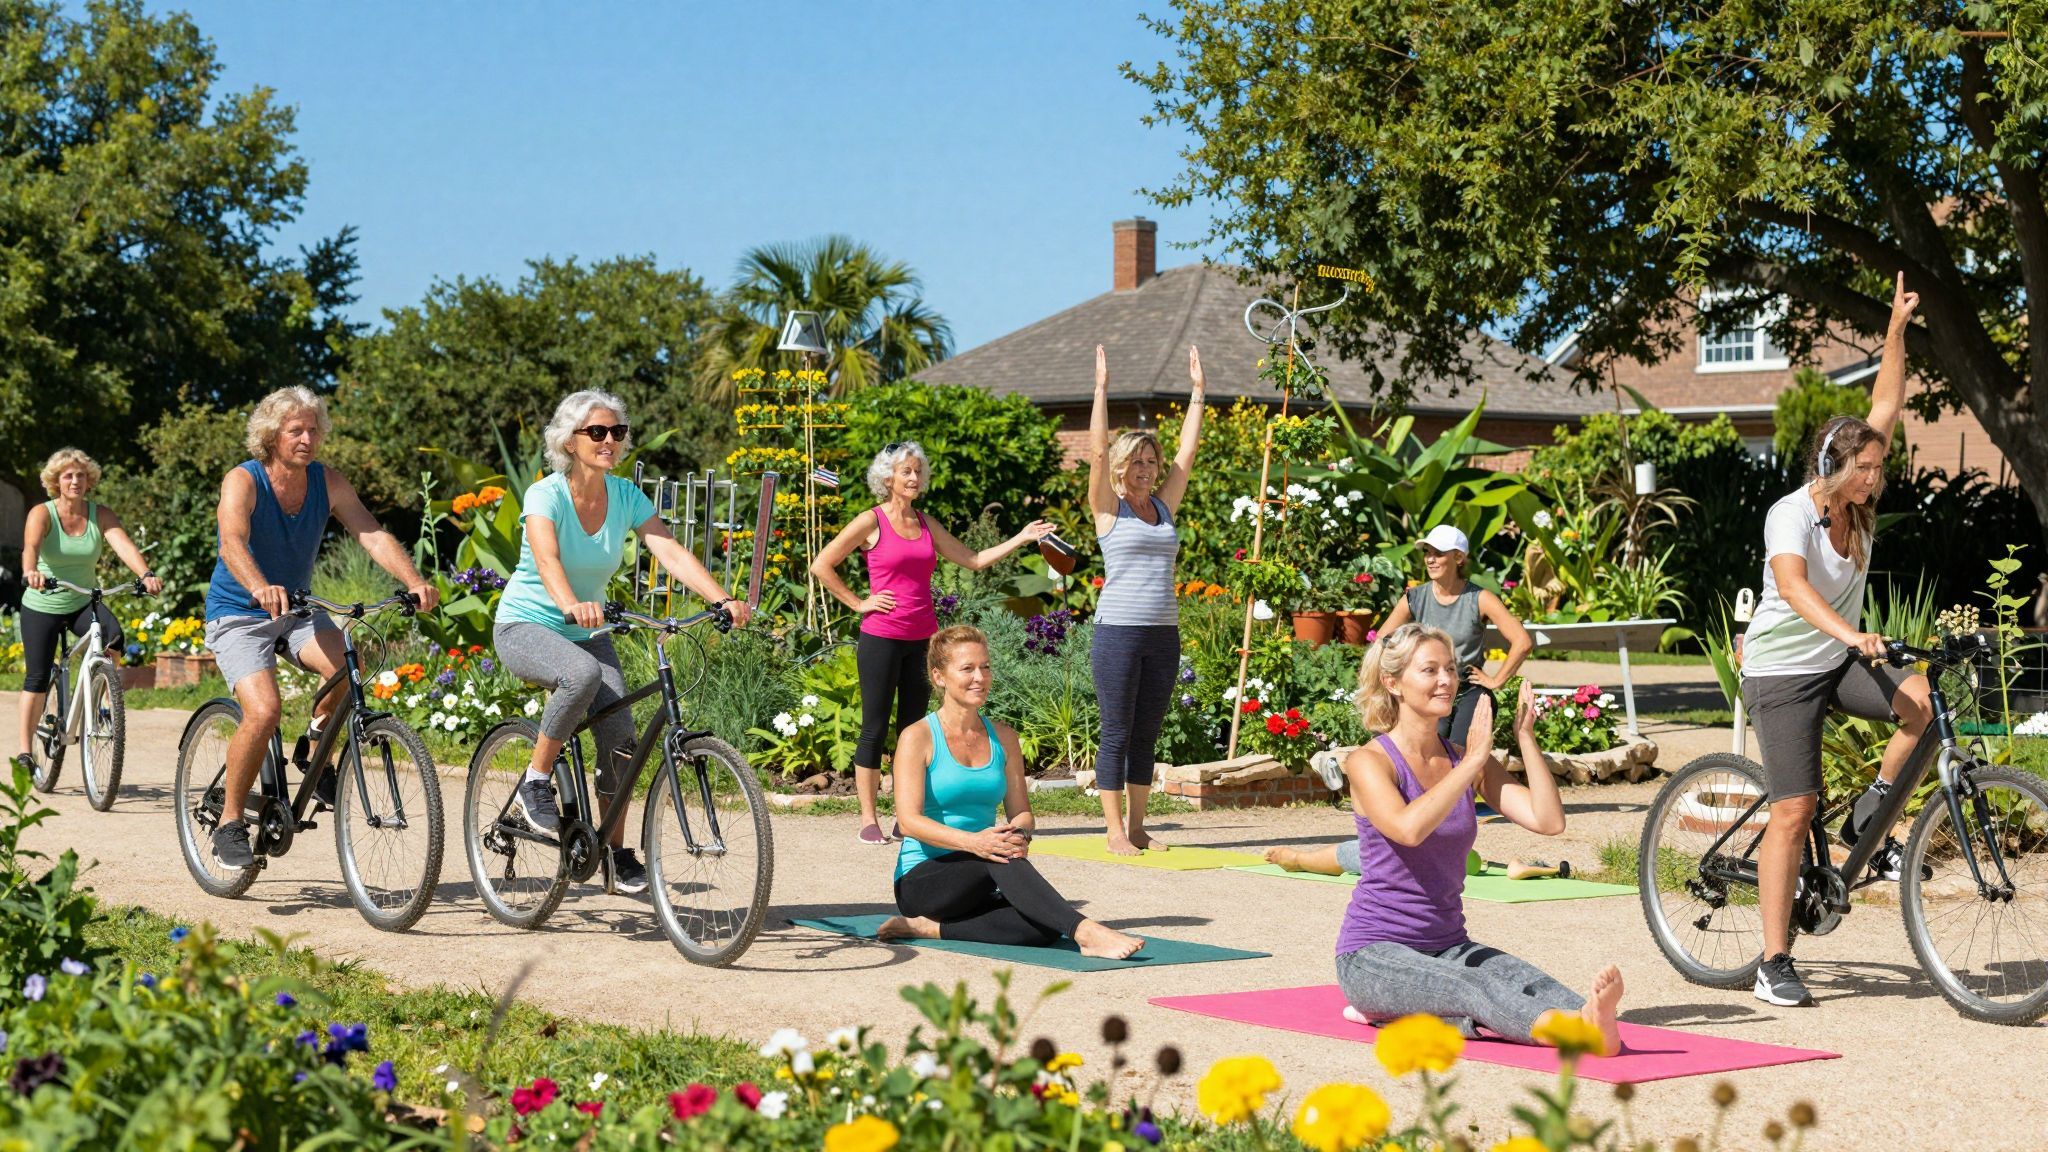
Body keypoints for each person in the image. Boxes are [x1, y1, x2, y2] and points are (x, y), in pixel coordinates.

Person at [1739, 273, 1930, 1009]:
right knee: (1793, 807)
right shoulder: (1790, 514)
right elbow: (1792, 589)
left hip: (1836, 657)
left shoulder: (1861, 495)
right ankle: (1773, 959)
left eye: (1879, 467)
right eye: (1867, 470)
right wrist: (1853, 633)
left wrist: (1893, 331)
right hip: (1785, 670)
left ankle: (1871, 816)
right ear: (1832, 468)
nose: (1877, 479)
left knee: (1921, 707)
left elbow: (1886, 401)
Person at [493, 390, 753, 894]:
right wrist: (570, 601)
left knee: (621, 741)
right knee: (581, 675)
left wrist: (722, 598)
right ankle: (535, 781)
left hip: (587, 630)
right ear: (570, 441)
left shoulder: (627, 496)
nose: (610, 440)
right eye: (597, 432)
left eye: (617, 431)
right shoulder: (545, 494)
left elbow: (669, 550)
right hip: (527, 625)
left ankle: (613, 851)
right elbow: (546, 560)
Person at [1332, 623, 1624, 1055]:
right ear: (1392, 683)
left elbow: (1548, 820)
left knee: (1533, 985)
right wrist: (1470, 764)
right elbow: (1408, 829)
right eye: (1429, 670)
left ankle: (1585, 1021)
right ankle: (1576, 1034)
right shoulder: (1369, 762)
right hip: (1373, 955)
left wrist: (1525, 738)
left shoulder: (1462, 760)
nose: (1446, 680)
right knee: (1474, 985)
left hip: (1448, 945)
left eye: (1450, 668)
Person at [205, 387, 440, 868]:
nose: (308, 438)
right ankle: (230, 821)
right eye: (296, 430)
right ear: (272, 435)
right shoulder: (244, 480)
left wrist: (414, 579)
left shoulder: (327, 481)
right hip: (239, 613)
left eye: (314, 429)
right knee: (265, 710)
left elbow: (370, 532)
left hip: (298, 608)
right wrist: (261, 585)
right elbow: (231, 541)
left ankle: (313, 750)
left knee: (349, 666)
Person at [811, 443, 1051, 845]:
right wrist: (859, 602)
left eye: (918, 472)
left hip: (923, 639)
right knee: (873, 727)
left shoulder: (925, 523)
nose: (914, 479)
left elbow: (972, 559)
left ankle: (908, 818)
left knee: (912, 731)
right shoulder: (870, 521)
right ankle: (868, 818)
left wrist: (1022, 537)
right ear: (887, 477)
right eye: (906, 471)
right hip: (881, 637)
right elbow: (822, 564)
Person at [878, 625, 1146, 958]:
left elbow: (1021, 812)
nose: (980, 677)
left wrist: (1018, 834)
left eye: (985, 667)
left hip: (985, 867)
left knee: (1044, 924)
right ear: (939, 676)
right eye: (967, 669)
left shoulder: (1003, 737)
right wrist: (976, 842)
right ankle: (1086, 932)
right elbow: (909, 821)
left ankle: (928, 928)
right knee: (1002, 859)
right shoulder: (917, 737)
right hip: (924, 879)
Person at [1086, 343, 1206, 854]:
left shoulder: (1163, 504)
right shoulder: (1107, 507)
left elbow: (1187, 454)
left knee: (1146, 733)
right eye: (1136, 460)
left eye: (1151, 460)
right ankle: (1113, 831)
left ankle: (1137, 826)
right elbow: (1094, 451)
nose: (1146, 467)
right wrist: (1101, 390)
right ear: (1119, 465)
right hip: (1116, 631)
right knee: (1116, 730)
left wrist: (1199, 393)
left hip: (1163, 633)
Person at [11, 449, 162, 775]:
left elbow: (123, 544)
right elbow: (31, 548)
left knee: (114, 637)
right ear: (56, 481)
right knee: (36, 677)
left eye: (80, 475)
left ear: (89, 479)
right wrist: (30, 572)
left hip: (81, 601)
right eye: (68, 475)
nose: (75, 480)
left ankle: (99, 700)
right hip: (43, 603)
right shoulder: (43, 513)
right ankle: (25, 751)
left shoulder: (100, 514)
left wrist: (145, 574)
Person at [1372, 524, 1532, 753]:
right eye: (1427, 552)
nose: (1430, 559)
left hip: (1468, 690)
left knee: (1457, 751)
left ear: (1458, 558)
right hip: (1430, 689)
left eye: (1438, 553)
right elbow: (1381, 642)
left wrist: (1496, 681)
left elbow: (1522, 642)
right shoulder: (1414, 597)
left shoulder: (1480, 598)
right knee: (1427, 752)